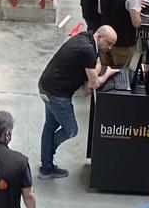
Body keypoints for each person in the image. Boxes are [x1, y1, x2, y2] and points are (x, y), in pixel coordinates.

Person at [37, 26, 117, 179]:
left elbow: (95, 64)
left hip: (46, 86)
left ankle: (46, 167)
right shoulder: (87, 50)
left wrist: (92, 74)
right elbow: (93, 84)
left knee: (50, 126)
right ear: (99, 36)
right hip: (56, 94)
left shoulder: (85, 37)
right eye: (109, 43)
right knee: (71, 130)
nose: (110, 47)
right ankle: (48, 154)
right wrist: (107, 74)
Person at [99, 0, 143, 68]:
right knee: (120, 75)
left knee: (104, 70)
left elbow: (100, 10)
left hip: (105, 41)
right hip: (123, 44)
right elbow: (136, 24)